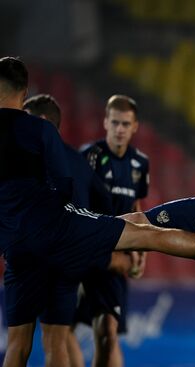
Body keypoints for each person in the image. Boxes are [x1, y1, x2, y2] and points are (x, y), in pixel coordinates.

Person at [0, 56, 195, 367]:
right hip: (57, 231)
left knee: (17, 344)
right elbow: (64, 185)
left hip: (15, 245)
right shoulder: (40, 130)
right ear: (25, 92)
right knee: (143, 233)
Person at [22, 93, 142, 367]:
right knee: (61, 337)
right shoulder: (79, 161)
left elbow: (106, 210)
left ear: (40, 122)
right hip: (77, 258)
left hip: (53, 257)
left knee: (60, 337)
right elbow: (104, 209)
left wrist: (122, 250)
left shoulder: (34, 161)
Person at [76, 94, 148, 367]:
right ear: (105, 122)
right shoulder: (89, 157)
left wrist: (141, 250)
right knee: (66, 328)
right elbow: (76, 205)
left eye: (125, 124)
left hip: (118, 258)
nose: (120, 129)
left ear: (135, 127)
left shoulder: (140, 164)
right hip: (89, 253)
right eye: (115, 122)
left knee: (108, 334)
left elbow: (137, 206)